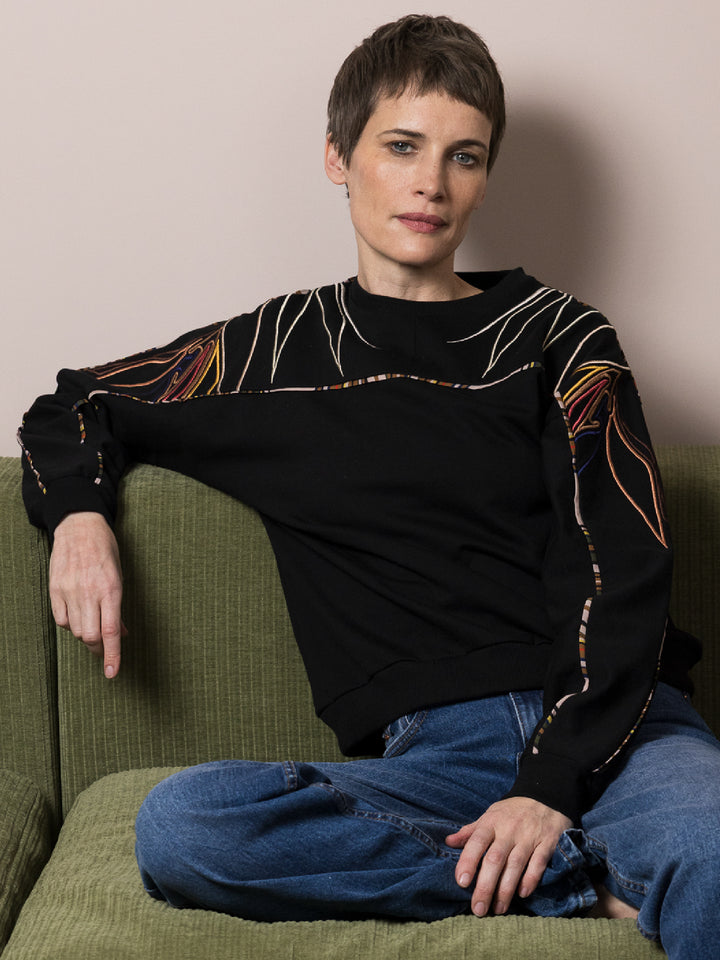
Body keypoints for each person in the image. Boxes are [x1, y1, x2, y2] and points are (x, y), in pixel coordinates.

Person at [17, 14, 718, 958]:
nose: (432, 183)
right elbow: (76, 405)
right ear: (339, 156)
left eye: (464, 157)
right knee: (186, 826)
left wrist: (550, 783)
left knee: (713, 851)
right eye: (402, 146)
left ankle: (587, 856)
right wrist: (81, 519)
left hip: (621, 729)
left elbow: (624, 565)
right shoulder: (269, 355)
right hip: (437, 761)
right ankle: (574, 884)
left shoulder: (561, 338)